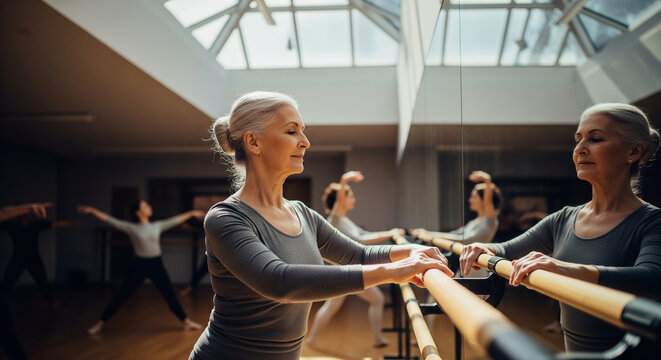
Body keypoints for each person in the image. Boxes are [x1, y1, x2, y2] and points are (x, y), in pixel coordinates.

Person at [188, 91, 453, 360]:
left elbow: (358, 254)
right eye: (292, 131)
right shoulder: (226, 218)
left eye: (302, 131)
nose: (305, 142)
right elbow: (279, 281)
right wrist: (394, 271)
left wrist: (410, 252)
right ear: (254, 142)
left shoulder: (303, 213)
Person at [460, 103, 661, 355]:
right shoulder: (564, 218)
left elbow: (652, 279)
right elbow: (507, 250)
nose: (580, 149)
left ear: (634, 151)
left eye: (595, 139)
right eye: (578, 139)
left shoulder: (652, 221)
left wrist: (562, 268)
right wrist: (484, 247)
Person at [306, 170, 405, 348]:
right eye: (350, 195)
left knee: (332, 307)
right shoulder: (334, 219)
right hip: (347, 271)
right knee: (377, 300)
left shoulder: (345, 220)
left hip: (346, 270)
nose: (354, 199)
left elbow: (364, 236)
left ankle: (312, 340)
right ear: (341, 198)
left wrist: (390, 232)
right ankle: (376, 338)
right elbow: (362, 240)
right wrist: (344, 180)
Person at [78, 201, 205, 335]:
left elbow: (176, 220)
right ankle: (100, 323)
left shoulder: (157, 225)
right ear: (138, 212)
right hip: (139, 265)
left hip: (156, 265)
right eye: (145, 206)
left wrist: (191, 213)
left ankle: (186, 321)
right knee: (122, 295)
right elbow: (109, 220)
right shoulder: (131, 228)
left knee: (169, 295)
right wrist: (92, 210)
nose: (149, 207)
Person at [0, 202, 50, 360]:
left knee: (6, 334)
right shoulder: (14, 227)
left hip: (29, 259)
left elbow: (4, 213)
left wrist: (29, 207)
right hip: (19, 260)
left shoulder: (30, 226)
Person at [2, 207, 77, 308]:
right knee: (7, 282)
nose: (26, 216)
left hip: (33, 259)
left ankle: (52, 302)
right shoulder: (12, 226)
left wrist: (71, 222)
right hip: (18, 259)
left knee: (42, 282)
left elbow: (54, 224)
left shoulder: (34, 225)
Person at [413, 170, 501, 246]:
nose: (470, 200)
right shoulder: (473, 222)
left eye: (474, 197)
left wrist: (487, 180)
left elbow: (463, 240)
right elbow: (453, 235)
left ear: (483, 200)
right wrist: (427, 233)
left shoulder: (490, 222)